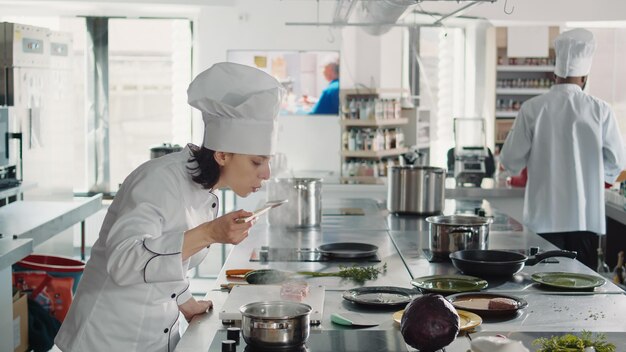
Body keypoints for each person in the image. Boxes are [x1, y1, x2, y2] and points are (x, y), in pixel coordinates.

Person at [54, 62, 285, 351]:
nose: (266, 173)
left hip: (157, 334)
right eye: (257, 161)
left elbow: (172, 262)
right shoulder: (158, 181)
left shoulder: (204, 190)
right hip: (108, 338)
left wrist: (186, 303)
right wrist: (210, 233)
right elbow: (124, 261)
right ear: (223, 154)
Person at [500, 28, 626, 269]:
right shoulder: (601, 110)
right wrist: (592, 176)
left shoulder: (532, 108)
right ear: (585, 77)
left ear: (554, 74)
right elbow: (617, 160)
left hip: (543, 220)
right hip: (585, 219)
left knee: (543, 284)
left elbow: (510, 159)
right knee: (582, 286)